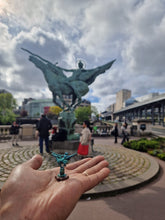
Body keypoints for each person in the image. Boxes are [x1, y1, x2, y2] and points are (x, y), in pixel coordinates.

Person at [0, 154, 110, 220]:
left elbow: (66, 157)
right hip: (62, 171)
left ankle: (62, 174)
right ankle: (62, 174)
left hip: (62, 171)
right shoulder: (62, 159)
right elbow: (59, 157)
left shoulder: (64, 159)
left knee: (62, 170)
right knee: (62, 170)